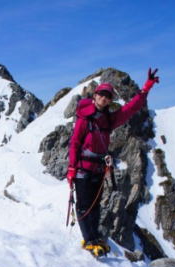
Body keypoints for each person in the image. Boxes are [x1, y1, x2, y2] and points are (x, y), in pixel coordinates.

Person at [66, 68, 159, 256]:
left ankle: (94, 238)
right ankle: (89, 240)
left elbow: (131, 108)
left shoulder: (108, 119)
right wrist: (71, 168)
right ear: (95, 95)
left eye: (108, 96)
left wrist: (146, 88)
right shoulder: (85, 117)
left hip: (98, 169)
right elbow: (75, 142)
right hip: (83, 168)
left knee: (95, 205)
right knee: (84, 206)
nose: (104, 98)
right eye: (101, 94)